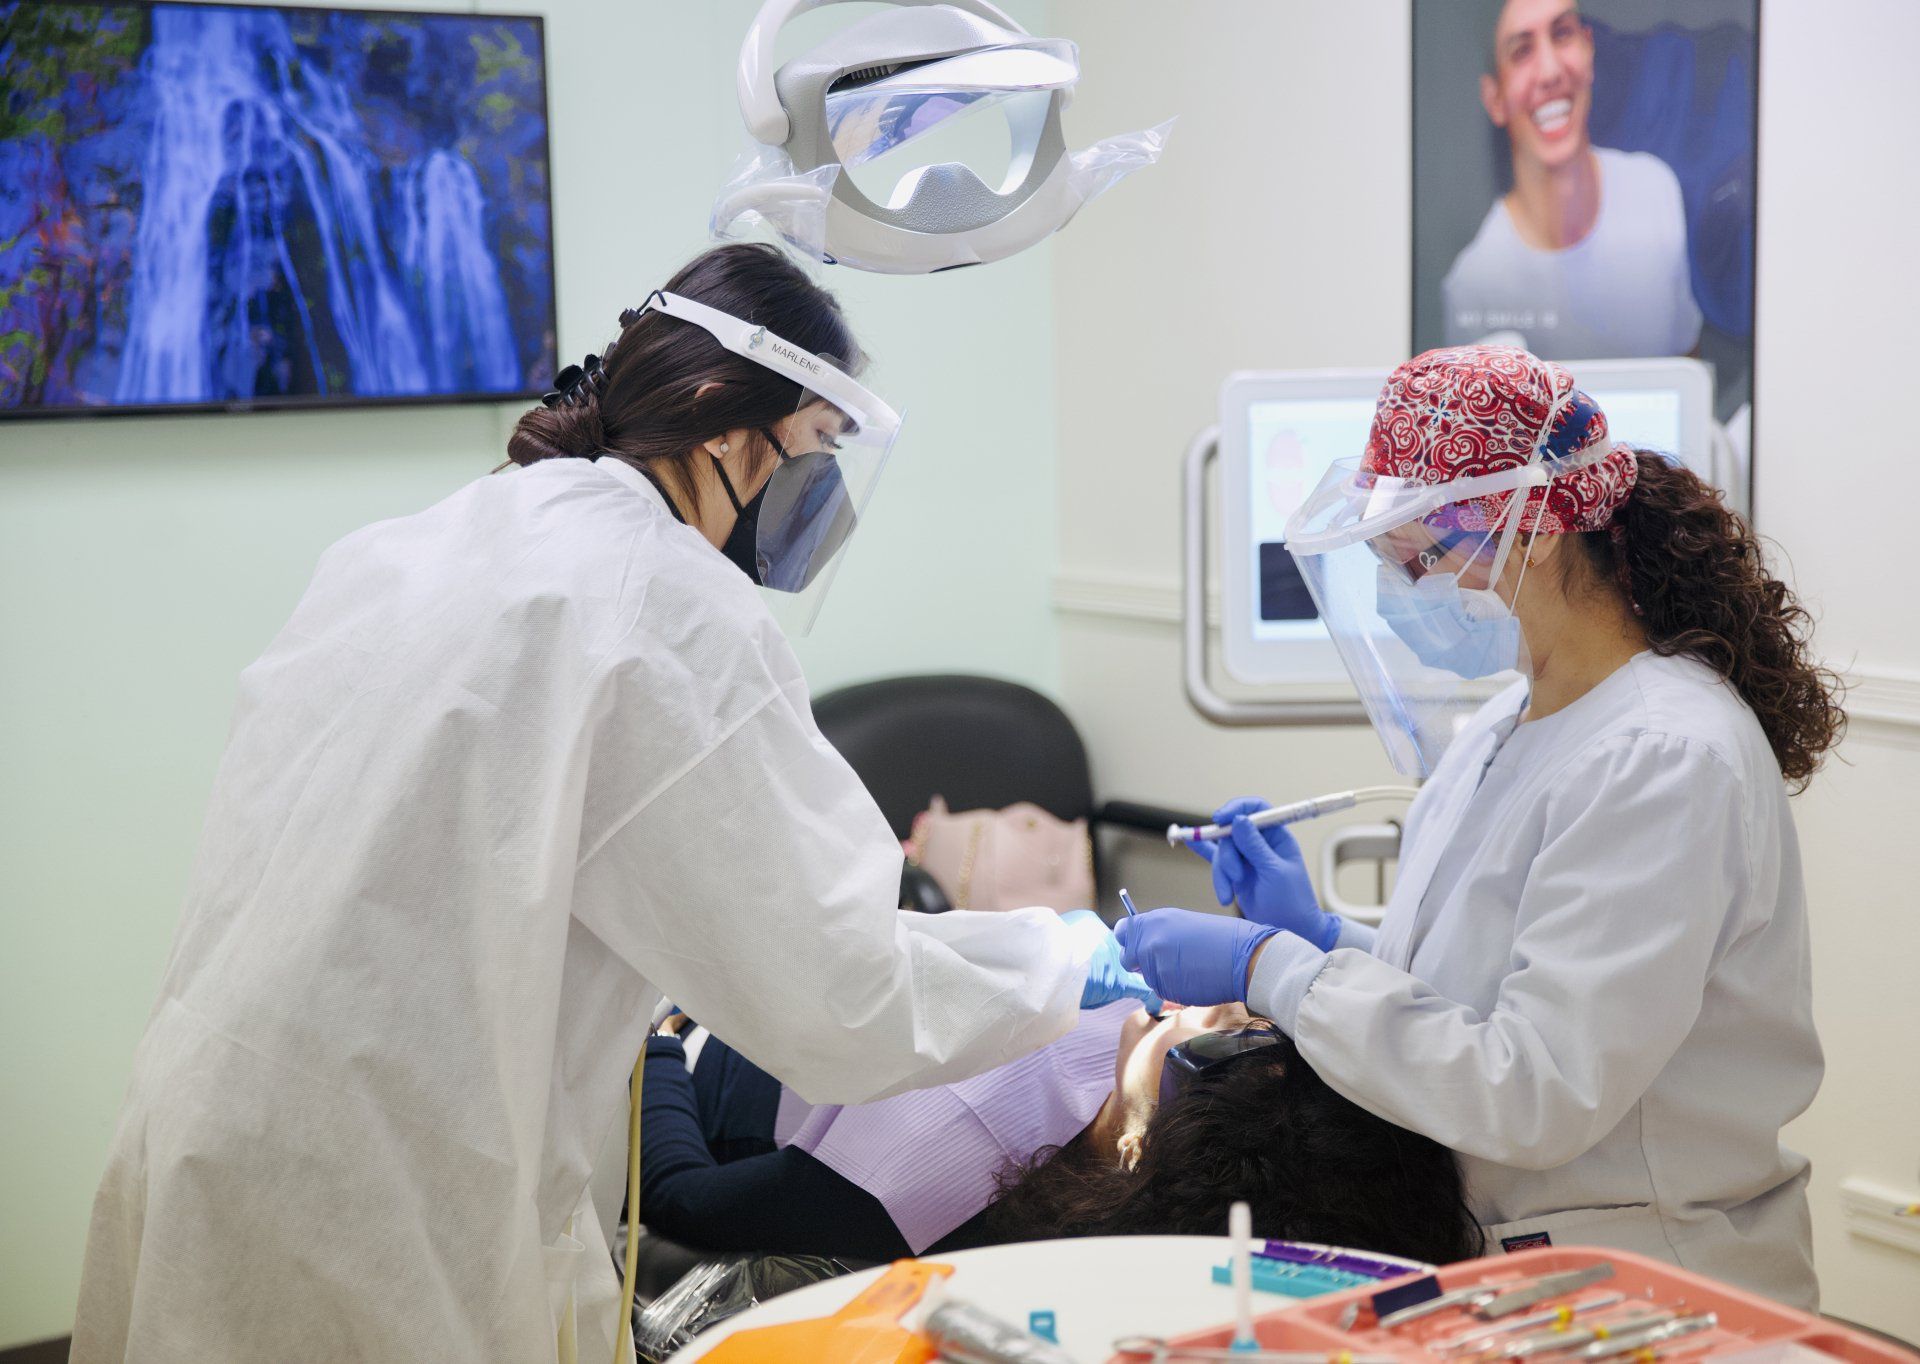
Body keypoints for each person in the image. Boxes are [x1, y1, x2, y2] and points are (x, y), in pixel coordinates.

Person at [69, 243, 1155, 1364]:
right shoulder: (668, 607)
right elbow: (840, 987)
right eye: (818, 448)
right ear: (724, 422)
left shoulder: (424, 540)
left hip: (213, 1109)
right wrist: (1066, 959)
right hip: (392, 1181)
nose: (822, 495)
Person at [1118, 346, 1842, 1309]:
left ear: (1531, 531)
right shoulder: (1510, 723)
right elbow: (1484, 991)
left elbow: (1536, 1087)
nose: (1401, 591)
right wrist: (1328, 938)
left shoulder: (1665, 757)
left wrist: (1269, 970)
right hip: (1516, 1259)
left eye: (1415, 557)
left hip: (1653, 1281)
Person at [638, 1004, 1479, 1268]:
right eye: (1260, 1028)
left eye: (1215, 1050)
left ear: (1137, 1151)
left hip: (705, 1069)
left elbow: (679, 1199)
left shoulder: (927, 1175)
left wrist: (655, 1036)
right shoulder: (1134, 1042)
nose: (1221, 1013)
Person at [1441, 0, 1701, 359]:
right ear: (1495, 98)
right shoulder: (1474, 284)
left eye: (1562, 34)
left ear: (1588, 49)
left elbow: (1686, 370)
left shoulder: (1655, 190)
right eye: (1521, 51)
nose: (1549, 72)